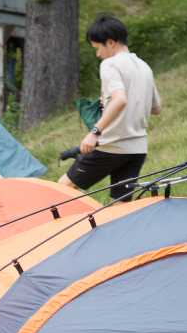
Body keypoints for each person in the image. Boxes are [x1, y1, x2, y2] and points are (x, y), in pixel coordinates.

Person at [60, 14, 161, 202]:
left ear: (111, 42)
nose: (98, 54)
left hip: (111, 146)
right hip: (137, 149)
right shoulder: (144, 66)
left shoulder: (110, 64)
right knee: (120, 206)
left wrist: (95, 132)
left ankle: (71, 230)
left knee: (63, 190)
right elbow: (156, 108)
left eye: (98, 48)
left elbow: (120, 99)